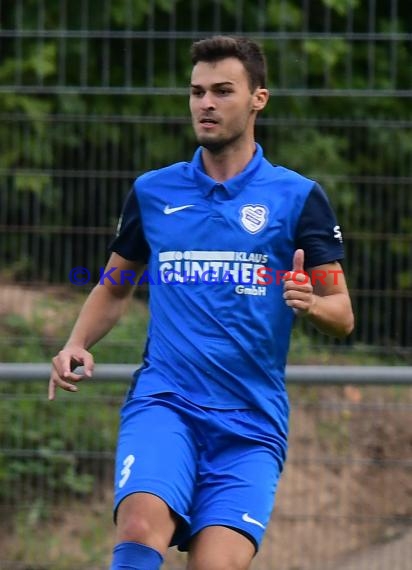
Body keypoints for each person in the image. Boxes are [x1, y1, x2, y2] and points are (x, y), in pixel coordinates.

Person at [49, 35, 354, 570]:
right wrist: (76, 342)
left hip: (251, 421)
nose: (205, 104)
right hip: (166, 402)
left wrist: (308, 303)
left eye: (222, 91)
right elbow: (114, 285)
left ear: (259, 98)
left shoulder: (298, 197)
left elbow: (342, 313)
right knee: (141, 523)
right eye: (196, 92)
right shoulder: (153, 192)